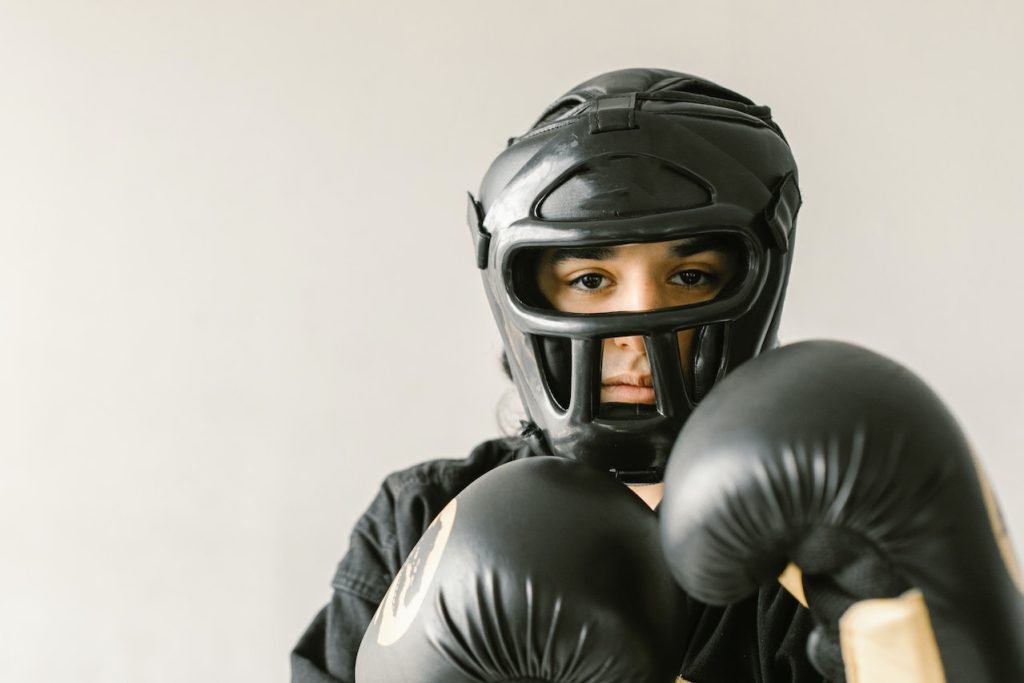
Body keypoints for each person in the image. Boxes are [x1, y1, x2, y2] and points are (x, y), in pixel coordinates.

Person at [291, 67, 820, 682]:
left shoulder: (817, 546)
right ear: (524, 291)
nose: (638, 332)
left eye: (691, 276)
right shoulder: (421, 523)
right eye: (591, 281)